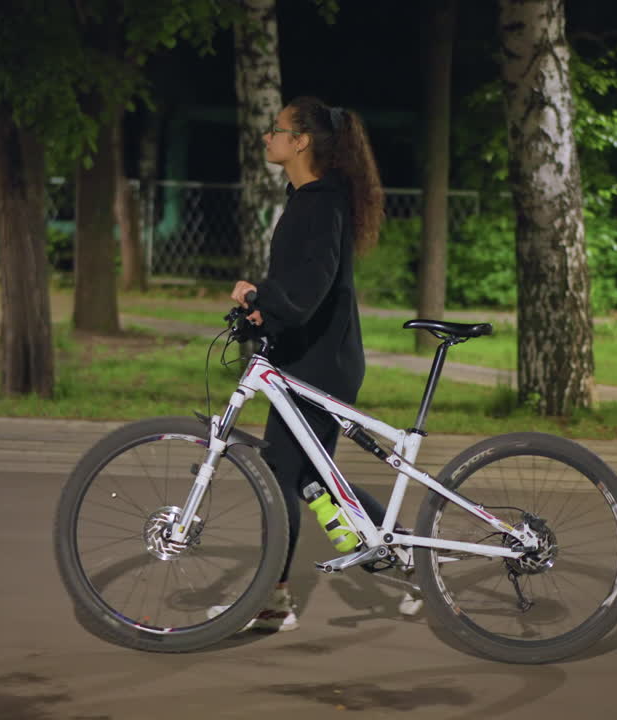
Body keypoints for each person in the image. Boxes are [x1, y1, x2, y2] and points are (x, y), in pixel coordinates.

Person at [223, 97, 417, 632]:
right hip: (313, 354)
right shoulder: (309, 199)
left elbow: (310, 288)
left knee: (284, 475)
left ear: (302, 140)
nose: (269, 137)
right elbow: (305, 289)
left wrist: (262, 294)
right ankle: (403, 557)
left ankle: (272, 598)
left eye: (277, 129)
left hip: (321, 361)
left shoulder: (319, 203)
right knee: (310, 479)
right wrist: (265, 312)